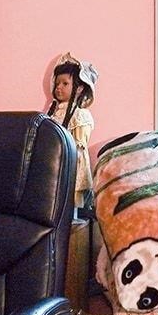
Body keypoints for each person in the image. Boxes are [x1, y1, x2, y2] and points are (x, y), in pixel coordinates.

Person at [46, 54, 97, 206]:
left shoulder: (80, 115)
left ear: (79, 88)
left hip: (72, 167)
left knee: (71, 206)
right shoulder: (53, 112)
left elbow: (79, 148)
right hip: (53, 163)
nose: (59, 87)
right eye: (57, 83)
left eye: (65, 83)